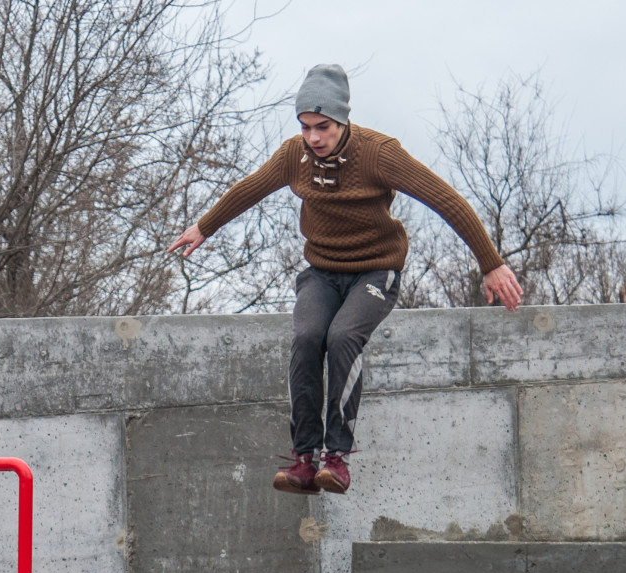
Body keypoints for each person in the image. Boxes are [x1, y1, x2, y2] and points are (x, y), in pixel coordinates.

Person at [168, 64, 523, 495]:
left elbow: (445, 199)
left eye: (323, 127)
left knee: (341, 338)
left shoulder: (379, 153)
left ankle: (335, 459)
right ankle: (303, 460)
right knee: (306, 338)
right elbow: (250, 189)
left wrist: (491, 263)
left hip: (376, 271)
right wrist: (204, 227)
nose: (314, 138)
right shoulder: (292, 156)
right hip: (321, 272)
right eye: (305, 127)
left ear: (343, 121)